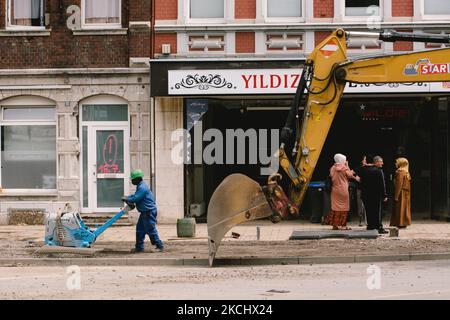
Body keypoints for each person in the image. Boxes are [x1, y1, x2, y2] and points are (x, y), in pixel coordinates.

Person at [123, 170, 164, 253]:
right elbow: (136, 195)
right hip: (145, 212)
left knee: (151, 230)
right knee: (140, 230)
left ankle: (159, 246)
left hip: (148, 212)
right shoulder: (140, 186)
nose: (132, 181)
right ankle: (139, 247)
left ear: (137, 179)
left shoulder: (142, 187)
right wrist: (128, 197)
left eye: (133, 179)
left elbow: (136, 198)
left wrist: (127, 198)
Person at [324, 154, 360, 230]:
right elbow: (350, 175)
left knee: (335, 207)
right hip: (343, 190)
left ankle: (335, 225)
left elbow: (331, 176)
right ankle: (343, 225)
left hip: (335, 190)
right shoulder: (344, 168)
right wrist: (347, 165)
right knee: (344, 207)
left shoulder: (332, 168)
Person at [359, 155, 389, 234]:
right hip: (376, 195)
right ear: (376, 162)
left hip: (365, 195)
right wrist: (384, 195)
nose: (382, 163)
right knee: (377, 212)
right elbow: (382, 184)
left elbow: (358, 180)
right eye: (381, 161)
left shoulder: (363, 170)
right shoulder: (379, 170)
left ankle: (370, 226)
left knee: (369, 211)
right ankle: (379, 227)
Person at [390, 157, 412, 229]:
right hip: (406, 193)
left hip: (401, 193)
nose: (395, 163)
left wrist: (396, 195)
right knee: (405, 208)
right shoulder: (406, 172)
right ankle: (403, 222)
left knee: (400, 207)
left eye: (397, 162)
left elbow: (399, 184)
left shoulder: (400, 172)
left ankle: (400, 222)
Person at [354, 155, 368, 227]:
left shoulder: (367, 168)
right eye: (364, 159)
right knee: (360, 205)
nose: (365, 161)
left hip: (365, 188)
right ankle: (361, 220)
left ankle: (366, 220)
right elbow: (357, 179)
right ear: (361, 161)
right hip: (360, 188)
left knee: (366, 205)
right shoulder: (358, 169)